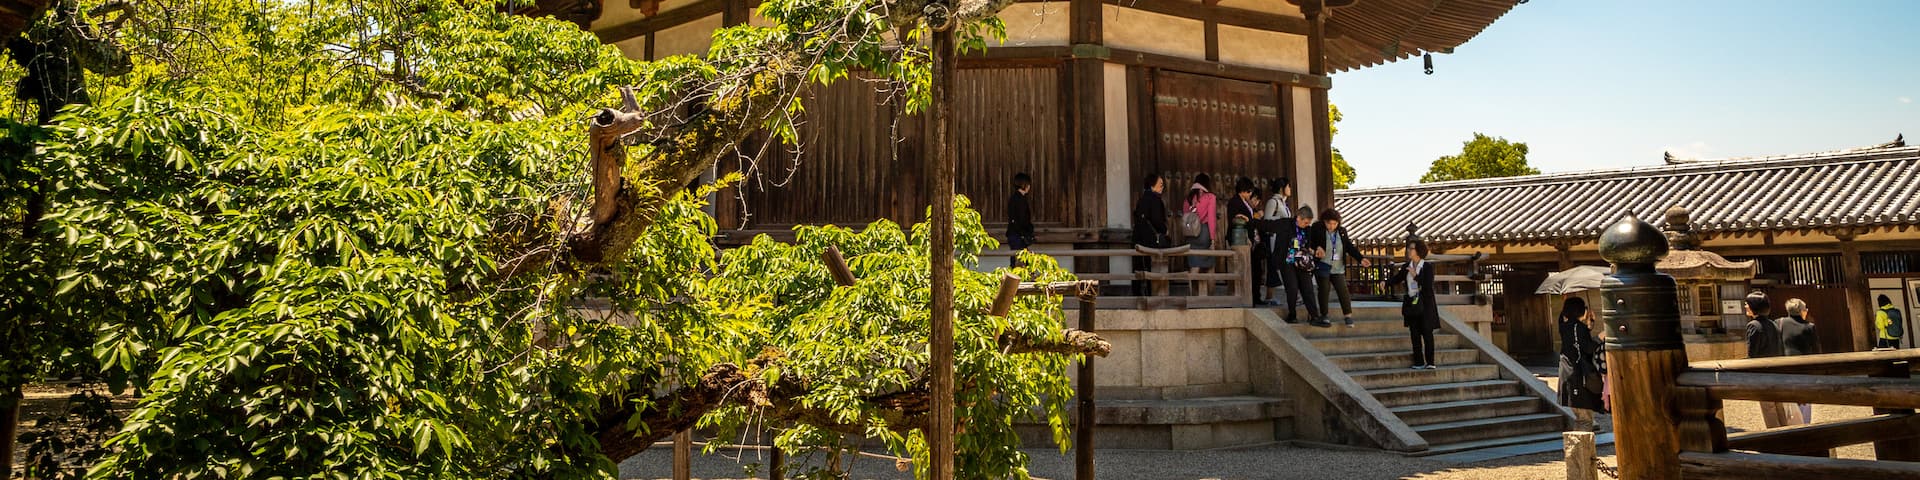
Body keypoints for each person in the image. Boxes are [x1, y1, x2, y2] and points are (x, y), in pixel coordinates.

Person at [1386, 235, 1440, 368]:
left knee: (1427, 333)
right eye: (1409, 248)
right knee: (1414, 334)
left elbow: (1428, 285)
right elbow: (1397, 278)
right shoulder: (1406, 266)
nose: (1409, 251)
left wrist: (1416, 276)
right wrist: (1385, 283)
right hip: (1411, 302)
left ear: (1419, 251)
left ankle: (1431, 362)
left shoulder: (1427, 267)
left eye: (1412, 248)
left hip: (1425, 304)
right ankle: (1419, 361)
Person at [1311, 208, 1369, 327]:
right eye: (1329, 223)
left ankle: (1348, 316)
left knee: (1343, 291)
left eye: (1334, 223)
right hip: (1323, 265)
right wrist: (1317, 247)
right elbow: (1310, 242)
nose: (1332, 226)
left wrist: (1361, 258)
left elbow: (1348, 246)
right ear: (1324, 221)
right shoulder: (1317, 228)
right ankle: (1324, 315)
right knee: (1324, 290)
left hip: (1338, 267)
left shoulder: (1342, 231)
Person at [1558, 297, 1608, 432]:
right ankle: (1581, 453)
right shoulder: (1578, 328)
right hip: (1579, 377)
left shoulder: (1564, 326)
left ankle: (1581, 452)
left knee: (1582, 419)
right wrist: (1602, 336)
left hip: (1567, 375)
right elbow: (1587, 347)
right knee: (1585, 420)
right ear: (1579, 310)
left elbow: (1578, 340)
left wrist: (1589, 323)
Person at [1744, 290, 1791, 428]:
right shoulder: (1773, 324)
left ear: (1754, 306)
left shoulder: (1753, 326)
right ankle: (1787, 435)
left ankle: (1774, 438)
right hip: (1777, 372)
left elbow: (1752, 353)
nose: (1745, 306)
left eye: (1747, 304)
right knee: (1779, 406)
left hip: (1762, 374)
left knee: (1768, 408)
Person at [1780, 298, 1820, 425]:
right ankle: (1804, 426)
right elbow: (1816, 349)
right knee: (1805, 401)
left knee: (1789, 400)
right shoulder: (1809, 327)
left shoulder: (1779, 323)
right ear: (1802, 311)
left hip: (1785, 367)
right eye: (1806, 309)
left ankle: (1791, 425)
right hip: (1805, 369)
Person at [1131, 174, 1170, 296]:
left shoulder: (1141, 200)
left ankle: (1137, 295)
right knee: (1152, 267)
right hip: (1151, 240)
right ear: (1152, 185)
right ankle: (1153, 294)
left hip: (1138, 239)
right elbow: (1157, 220)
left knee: (1139, 267)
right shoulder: (1155, 200)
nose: (1162, 186)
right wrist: (1165, 231)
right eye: (1160, 184)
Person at [1228, 178, 1262, 304]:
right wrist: (1246, 237)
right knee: (1245, 268)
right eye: (1249, 191)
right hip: (1242, 239)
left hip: (1251, 239)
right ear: (1243, 190)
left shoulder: (1245, 202)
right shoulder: (1234, 202)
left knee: (1255, 269)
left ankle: (1255, 296)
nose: (1250, 194)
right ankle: (1246, 297)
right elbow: (1235, 221)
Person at [1261, 178, 1292, 305]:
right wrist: (1281, 222)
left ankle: (1271, 295)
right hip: (1274, 238)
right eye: (1288, 186)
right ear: (1282, 188)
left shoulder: (1283, 203)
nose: (1290, 189)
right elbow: (1267, 221)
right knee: (1276, 265)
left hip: (1283, 238)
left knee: (1280, 266)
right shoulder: (1273, 202)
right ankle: (1273, 295)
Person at [1184, 174, 1219, 274]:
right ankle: (1211, 290)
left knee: (1194, 265)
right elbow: (1211, 218)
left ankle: (1193, 290)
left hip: (1190, 234)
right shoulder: (1210, 197)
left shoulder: (1188, 198)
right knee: (1210, 267)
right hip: (1204, 232)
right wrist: (1212, 240)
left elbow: (1186, 218)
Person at [1006, 172, 1035, 266]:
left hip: (1015, 233)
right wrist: (1026, 233)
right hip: (1018, 234)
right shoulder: (1019, 200)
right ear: (1024, 185)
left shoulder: (1014, 198)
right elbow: (1021, 219)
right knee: (1020, 260)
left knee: (1017, 258)